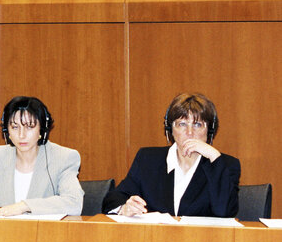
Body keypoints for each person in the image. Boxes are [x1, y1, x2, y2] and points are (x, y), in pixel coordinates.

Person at [102, 92, 240, 217]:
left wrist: (214, 158)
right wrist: (124, 208)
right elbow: (113, 199)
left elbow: (224, 212)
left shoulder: (225, 165)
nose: (190, 132)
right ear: (170, 130)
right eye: (182, 124)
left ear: (210, 131)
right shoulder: (148, 159)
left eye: (197, 124)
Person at [0, 96, 83, 216]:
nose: (22, 135)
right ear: (7, 132)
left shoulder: (64, 158)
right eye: (15, 127)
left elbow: (74, 202)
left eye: (29, 126)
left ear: (42, 130)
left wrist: (23, 206)